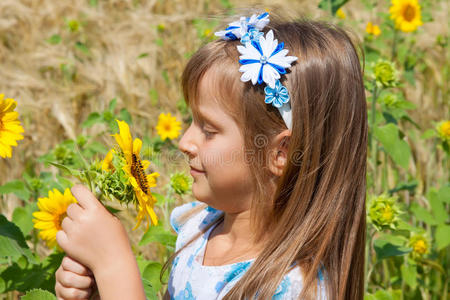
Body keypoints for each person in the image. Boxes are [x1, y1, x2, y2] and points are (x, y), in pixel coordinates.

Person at [54, 12, 368, 300]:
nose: (184, 142)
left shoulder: (294, 289)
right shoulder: (200, 229)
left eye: (208, 129)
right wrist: (101, 290)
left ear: (280, 153)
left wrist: (114, 266)